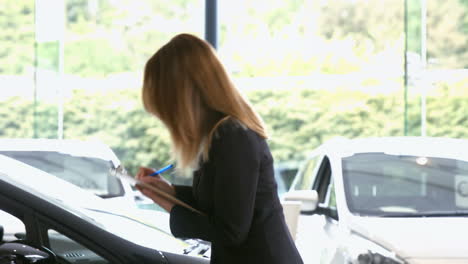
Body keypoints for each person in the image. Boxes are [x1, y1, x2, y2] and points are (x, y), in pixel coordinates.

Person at [136, 33, 303, 264]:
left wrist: (169, 204)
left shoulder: (232, 136)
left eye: (166, 108)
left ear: (182, 98)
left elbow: (230, 231)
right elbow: (220, 203)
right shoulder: (219, 135)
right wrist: (165, 191)